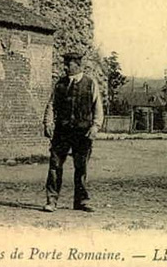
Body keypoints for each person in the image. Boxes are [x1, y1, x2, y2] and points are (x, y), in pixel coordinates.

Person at [42, 52, 103, 213]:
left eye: (68, 64)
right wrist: (48, 122)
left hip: (83, 133)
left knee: (81, 167)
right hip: (62, 132)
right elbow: (51, 105)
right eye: (65, 64)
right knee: (55, 166)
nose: (65, 67)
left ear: (77, 65)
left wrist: (95, 126)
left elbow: (98, 107)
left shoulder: (91, 83)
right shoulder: (60, 84)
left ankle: (81, 201)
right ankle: (51, 200)